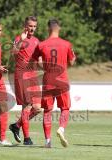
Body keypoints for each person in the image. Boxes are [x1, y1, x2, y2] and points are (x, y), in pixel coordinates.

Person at [33, 19, 76, 148]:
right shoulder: (66, 44)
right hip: (62, 80)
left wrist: (44, 66)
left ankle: (47, 141)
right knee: (65, 108)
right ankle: (61, 129)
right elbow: (72, 61)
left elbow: (35, 62)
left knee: (47, 111)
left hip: (48, 80)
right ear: (59, 28)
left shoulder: (41, 45)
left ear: (48, 29)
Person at [9, 16, 42, 145]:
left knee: (38, 108)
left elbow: (39, 61)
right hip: (22, 75)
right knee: (27, 106)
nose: (32, 28)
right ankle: (27, 138)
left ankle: (16, 125)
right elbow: (13, 52)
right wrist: (19, 42)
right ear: (25, 26)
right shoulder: (19, 38)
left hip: (32, 75)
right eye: (30, 26)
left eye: (34, 26)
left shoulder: (36, 41)